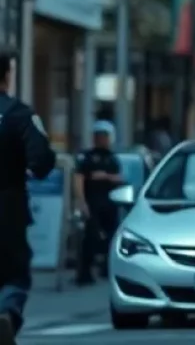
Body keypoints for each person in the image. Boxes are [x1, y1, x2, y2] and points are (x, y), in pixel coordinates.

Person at [0, 49, 56, 345]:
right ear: (7, 75)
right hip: (7, 208)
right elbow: (43, 159)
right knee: (14, 273)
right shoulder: (19, 114)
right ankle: (6, 313)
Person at [73, 120, 123, 285]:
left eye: (104, 136)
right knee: (91, 237)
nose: (101, 139)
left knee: (111, 238)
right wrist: (81, 202)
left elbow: (119, 178)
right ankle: (84, 273)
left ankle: (107, 269)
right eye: (98, 136)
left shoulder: (113, 158)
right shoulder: (87, 157)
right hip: (92, 203)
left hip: (110, 203)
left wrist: (105, 176)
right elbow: (78, 179)